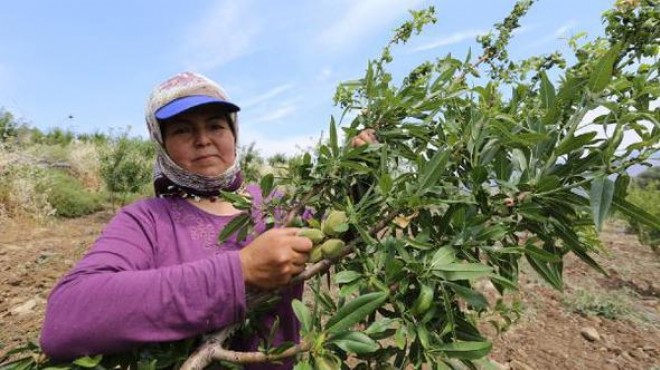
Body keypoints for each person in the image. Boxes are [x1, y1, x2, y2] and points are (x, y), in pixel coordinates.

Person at [40, 71, 376, 369]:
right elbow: (66, 319)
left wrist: (359, 171)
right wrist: (239, 272)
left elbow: (346, 226)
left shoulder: (279, 204)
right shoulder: (147, 220)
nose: (203, 139)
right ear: (162, 143)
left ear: (233, 133)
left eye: (215, 125)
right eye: (184, 130)